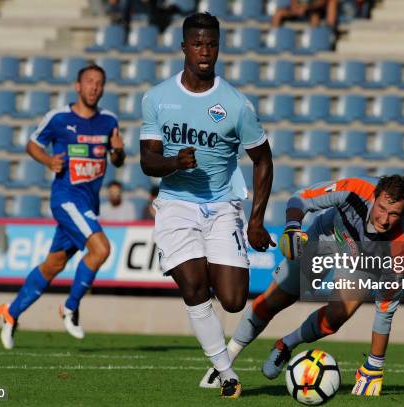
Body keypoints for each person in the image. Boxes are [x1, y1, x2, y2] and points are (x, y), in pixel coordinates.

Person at [139, 13, 274, 398]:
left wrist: (255, 221)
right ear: (184, 47)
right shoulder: (158, 98)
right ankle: (225, 373)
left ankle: (217, 341)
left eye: (211, 44)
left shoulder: (235, 104)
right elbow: (148, 162)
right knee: (194, 287)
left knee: (232, 301)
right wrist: (173, 163)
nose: (205, 52)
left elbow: (263, 159)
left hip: (222, 206)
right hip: (176, 204)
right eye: (197, 44)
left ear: (218, 47)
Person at [200, 175, 404, 397]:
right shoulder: (353, 189)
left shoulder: (401, 247)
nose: (385, 219)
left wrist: (374, 366)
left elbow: (385, 310)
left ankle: (286, 344)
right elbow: (300, 199)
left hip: (361, 260)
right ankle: (223, 364)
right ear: (375, 196)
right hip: (326, 236)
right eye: (381, 208)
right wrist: (293, 227)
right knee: (274, 300)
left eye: (394, 214)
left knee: (336, 317)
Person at [0, 65, 125, 349]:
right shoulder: (58, 118)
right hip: (66, 199)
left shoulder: (109, 121)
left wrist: (118, 150)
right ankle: (70, 307)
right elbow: (32, 144)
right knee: (101, 249)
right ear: (77, 86)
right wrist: (48, 161)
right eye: (89, 82)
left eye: (99, 83)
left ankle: (11, 312)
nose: (94, 87)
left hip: (88, 204)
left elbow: (118, 161)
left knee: (53, 264)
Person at [272, 0, 339, 28]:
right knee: (278, 14)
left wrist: (307, 7)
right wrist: (297, 8)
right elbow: (294, 4)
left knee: (314, 17)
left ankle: (314, 42)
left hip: (313, 10)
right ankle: (273, 38)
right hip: (299, 9)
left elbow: (321, 3)